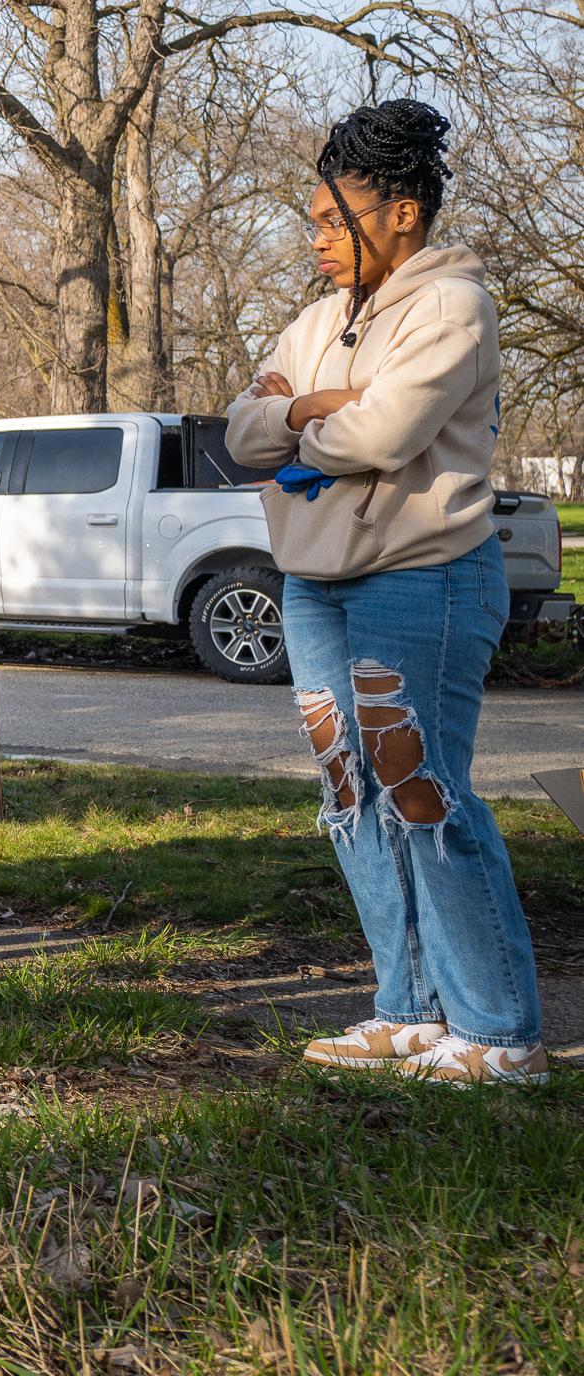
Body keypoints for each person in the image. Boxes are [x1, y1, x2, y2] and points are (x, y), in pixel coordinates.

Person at [227, 100, 549, 1085]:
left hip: (423, 576)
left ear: (401, 213)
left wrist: (302, 417)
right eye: (314, 217)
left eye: (336, 216)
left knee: (421, 789)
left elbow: (382, 436)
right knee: (350, 791)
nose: (316, 236)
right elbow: (242, 433)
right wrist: (317, 406)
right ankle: (407, 1011)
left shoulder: (452, 305)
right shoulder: (318, 319)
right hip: (316, 584)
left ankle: (498, 1031)